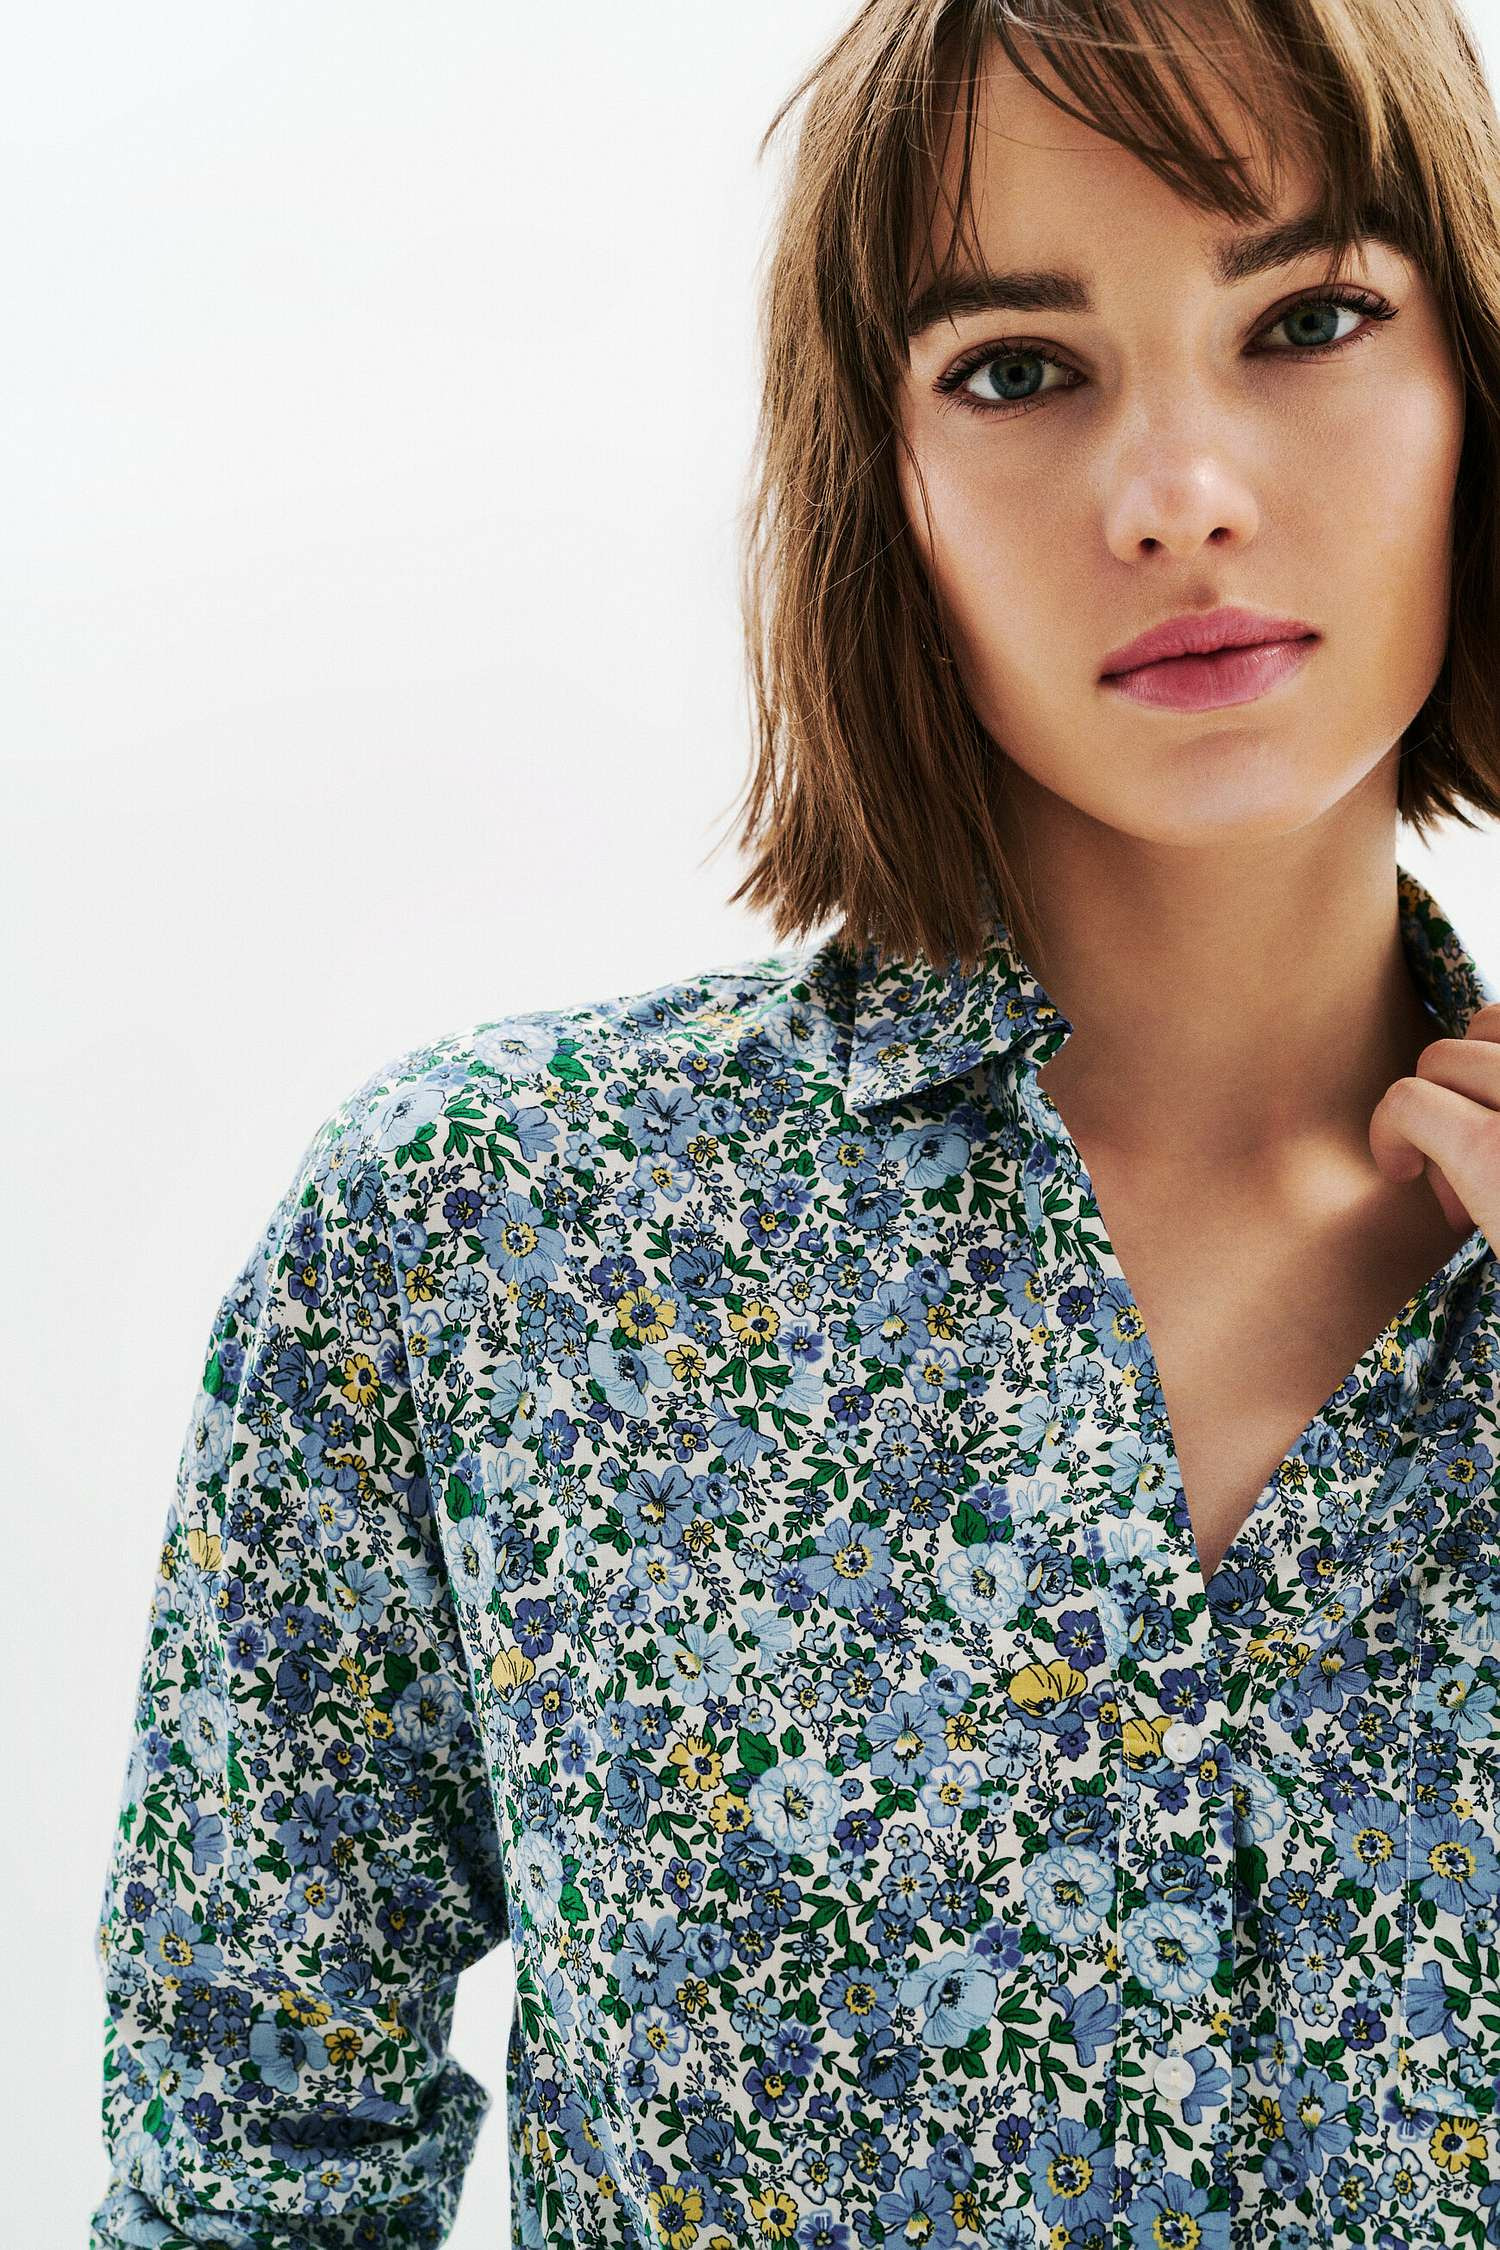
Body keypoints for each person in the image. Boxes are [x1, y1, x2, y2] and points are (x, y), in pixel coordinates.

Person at [88, 2, 1500, 2245]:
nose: (1182, 493)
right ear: (881, 481)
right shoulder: (490, 1236)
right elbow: (248, 2180)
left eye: (1309, 320)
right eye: (1018, 369)